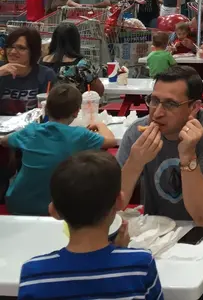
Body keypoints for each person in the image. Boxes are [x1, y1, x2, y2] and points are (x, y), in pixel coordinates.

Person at [117, 66, 203, 296]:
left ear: (194, 107)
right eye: (154, 101)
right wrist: (135, 162)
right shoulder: (137, 133)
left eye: (170, 104)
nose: (157, 113)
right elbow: (113, 206)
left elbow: (202, 216)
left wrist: (188, 155)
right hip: (159, 236)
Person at [19, 151, 163, 300]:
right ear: (120, 201)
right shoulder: (141, 264)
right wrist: (122, 253)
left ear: (53, 211)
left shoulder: (33, 273)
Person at [1, 84, 115, 215]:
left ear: (46, 108)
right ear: (76, 112)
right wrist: (100, 124)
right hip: (59, 208)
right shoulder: (79, 135)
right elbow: (111, 141)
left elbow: (4, 141)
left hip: (18, 204)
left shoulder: (31, 130)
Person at [0, 27, 56, 115]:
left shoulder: (46, 75)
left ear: (33, 51)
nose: (12, 52)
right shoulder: (1, 69)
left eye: (21, 48)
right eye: (10, 46)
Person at [41, 23, 104, 95]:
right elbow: (99, 90)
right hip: (75, 101)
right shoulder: (82, 64)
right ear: (76, 41)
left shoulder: (42, 61)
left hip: (46, 101)